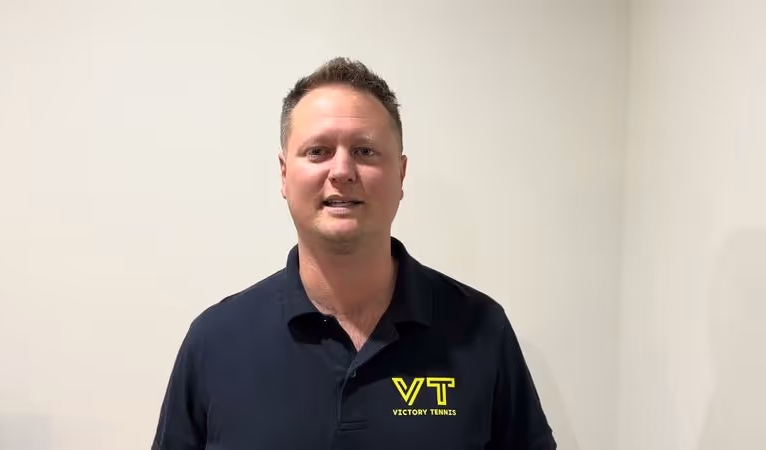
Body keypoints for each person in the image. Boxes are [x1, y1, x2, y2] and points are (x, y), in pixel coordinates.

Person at [152, 57, 556, 450]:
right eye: (317, 151)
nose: (342, 171)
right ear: (283, 173)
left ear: (400, 175)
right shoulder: (216, 341)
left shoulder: (482, 329)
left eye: (364, 151)